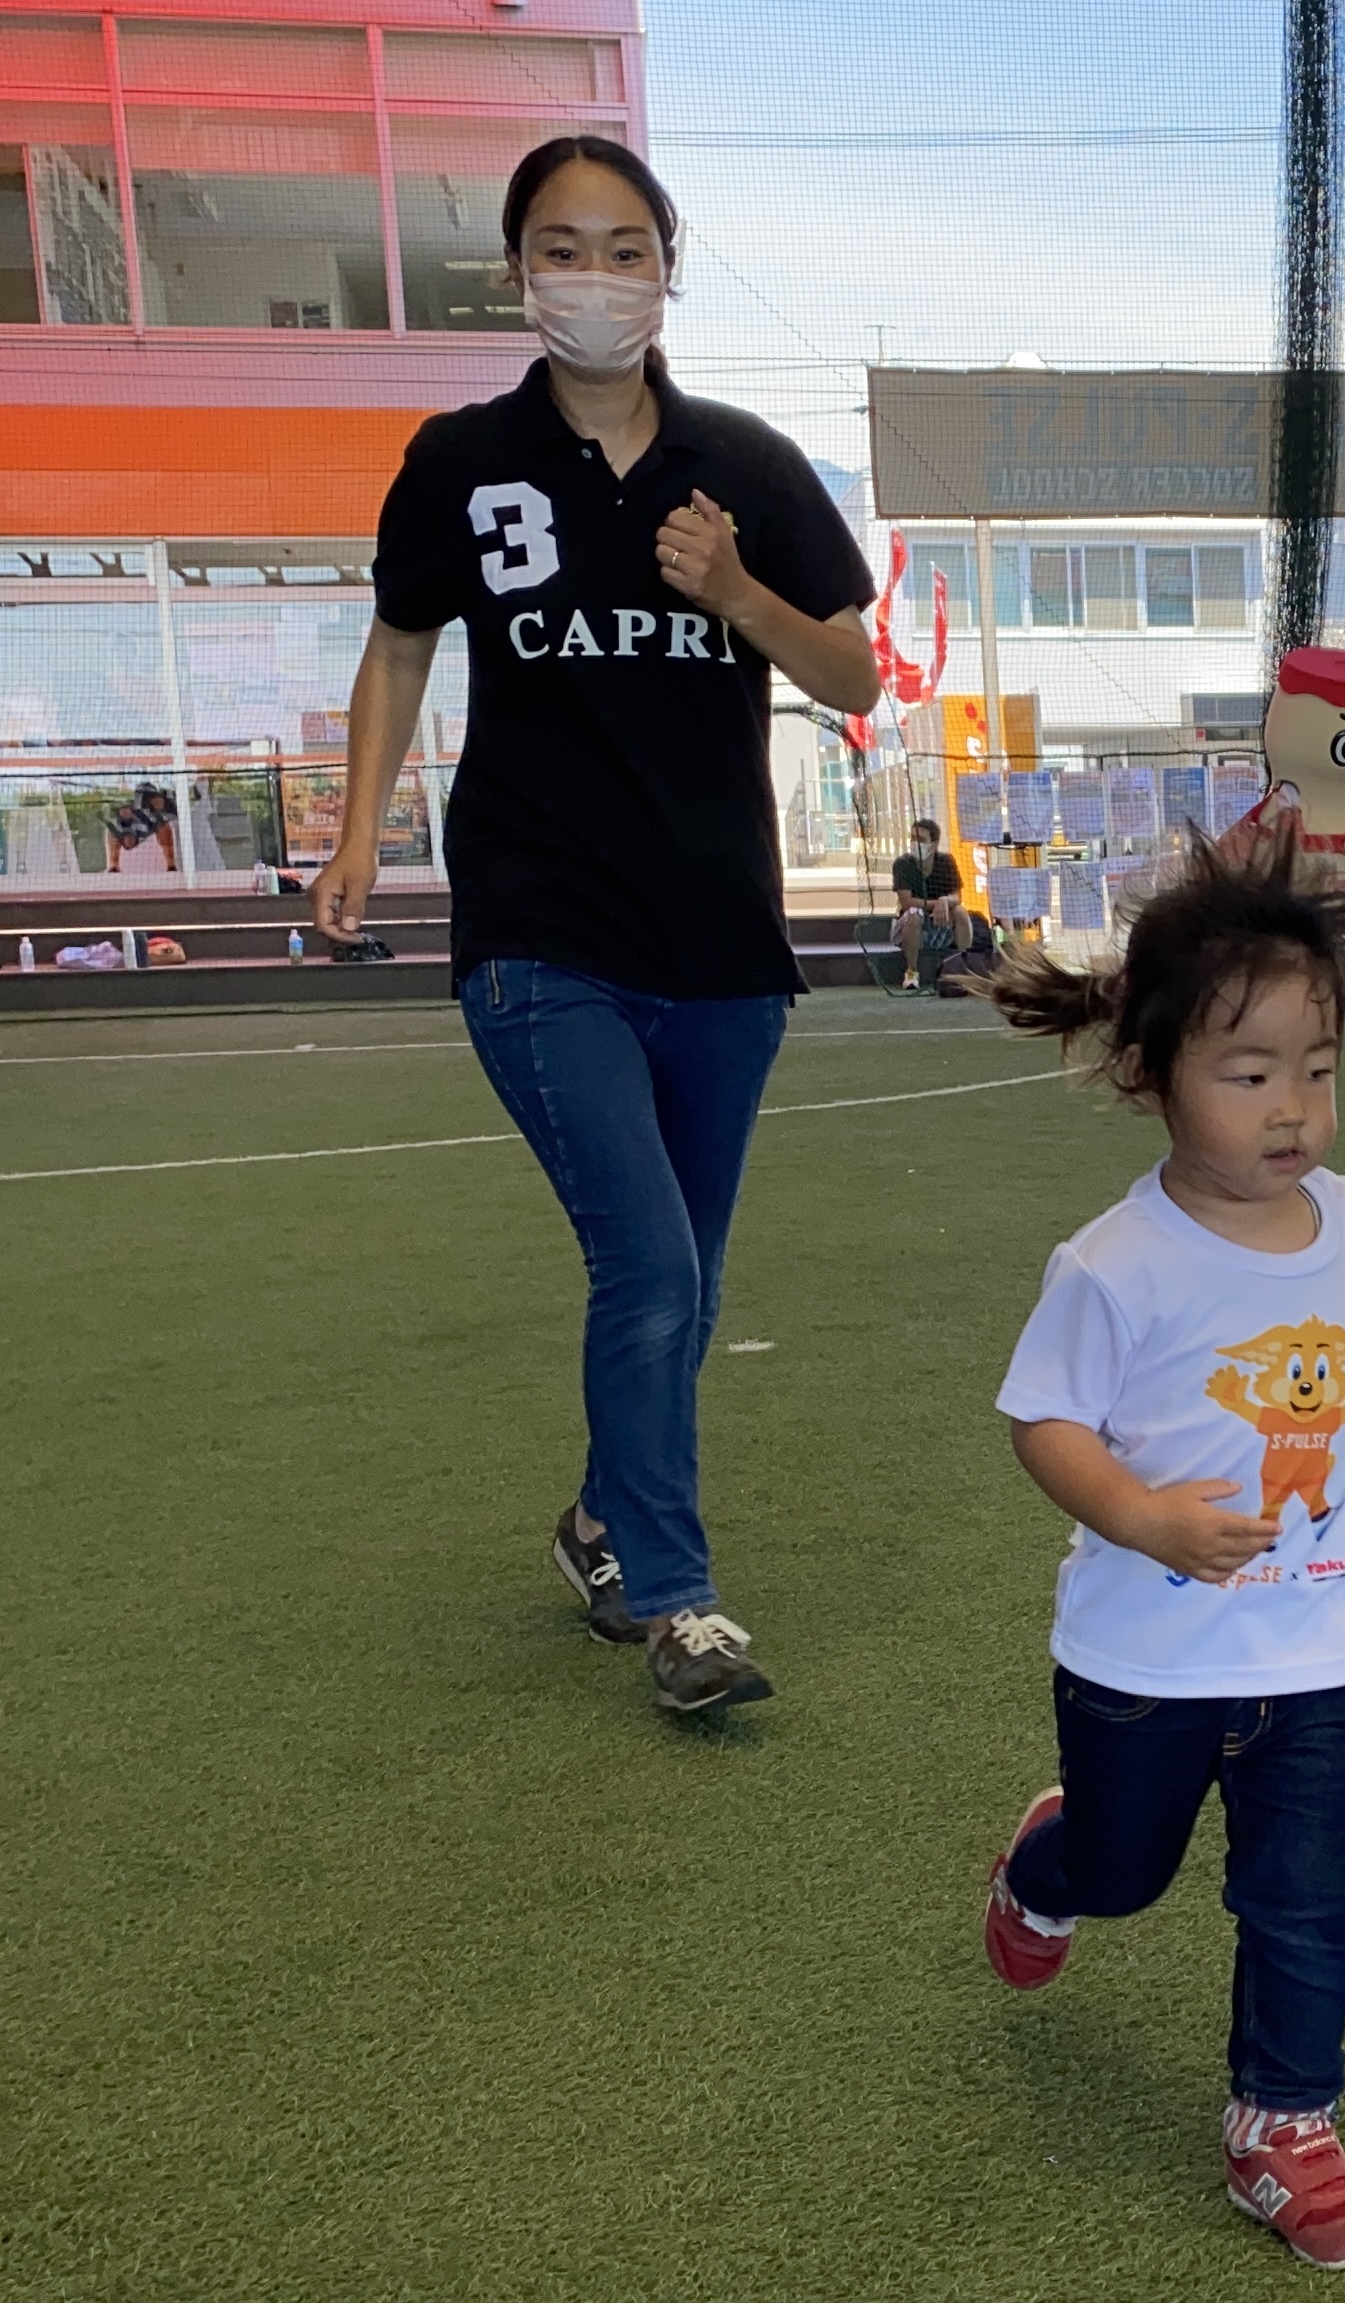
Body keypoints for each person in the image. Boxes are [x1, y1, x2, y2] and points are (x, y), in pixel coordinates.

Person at [315, 134, 878, 1714]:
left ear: (666, 271)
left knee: (686, 1279)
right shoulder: (459, 459)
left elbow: (852, 675)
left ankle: (598, 1520)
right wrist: (357, 832)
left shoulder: (747, 463)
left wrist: (741, 594)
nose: (595, 278)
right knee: (645, 1261)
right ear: (518, 273)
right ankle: (678, 1601)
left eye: (626, 249)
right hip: (538, 926)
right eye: (563, 248)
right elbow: (400, 648)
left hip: (720, 939)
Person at [976, 838, 1345, 2272]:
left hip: (1317, 1640)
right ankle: (1049, 1862)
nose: (1293, 1107)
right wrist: (1145, 1518)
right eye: (1250, 1071)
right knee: (1125, 1868)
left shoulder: (1341, 1215)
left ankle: (1285, 2122)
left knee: (1303, 1898)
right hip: (1146, 1656)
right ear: (1151, 1072)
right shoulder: (1115, 1263)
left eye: (1319, 1067)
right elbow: (1045, 1419)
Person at [891, 815, 966, 973]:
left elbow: (957, 897)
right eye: (912, 838)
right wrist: (938, 904)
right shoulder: (902, 864)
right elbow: (907, 902)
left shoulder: (946, 861)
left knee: (960, 911)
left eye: (921, 839)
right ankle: (911, 972)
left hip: (941, 924)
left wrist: (945, 900)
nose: (915, 843)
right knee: (914, 914)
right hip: (908, 927)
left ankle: (963, 967)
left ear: (934, 844)